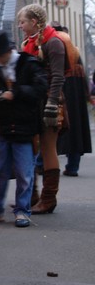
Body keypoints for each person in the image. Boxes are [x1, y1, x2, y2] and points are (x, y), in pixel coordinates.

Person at [0, 30, 47, 227]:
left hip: (24, 126)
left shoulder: (29, 64)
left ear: (7, 52)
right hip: (1, 127)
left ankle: (22, 211)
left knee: (24, 173)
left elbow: (41, 89)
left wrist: (15, 93)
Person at [17, 4, 65, 213]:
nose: (20, 26)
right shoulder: (27, 44)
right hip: (33, 102)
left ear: (34, 22)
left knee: (47, 148)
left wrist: (52, 104)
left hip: (49, 101)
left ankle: (48, 199)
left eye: (22, 22)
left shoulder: (54, 43)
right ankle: (32, 196)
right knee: (31, 148)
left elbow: (58, 77)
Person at [49, 22, 92, 176]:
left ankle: (43, 165)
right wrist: (87, 96)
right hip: (75, 99)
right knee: (75, 132)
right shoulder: (74, 53)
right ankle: (72, 166)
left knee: (49, 130)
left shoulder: (53, 50)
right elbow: (83, 80)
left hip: (58, 96)